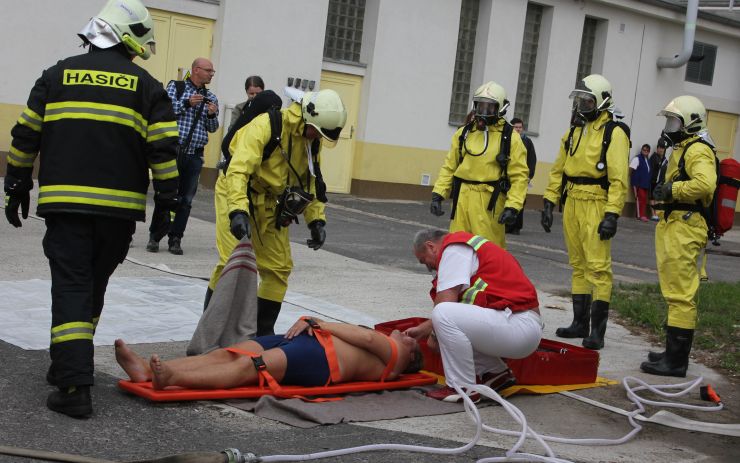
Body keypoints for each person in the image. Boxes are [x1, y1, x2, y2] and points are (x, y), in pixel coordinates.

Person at [3, 0, 179, 417]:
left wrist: (16, 184)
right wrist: (168, 205)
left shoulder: (55, 75)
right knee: (91, 286)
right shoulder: (148, 87)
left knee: (71, 288)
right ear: (131, 38)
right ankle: (67, 364)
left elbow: (26, 135)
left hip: (66, 208)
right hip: (119, 214)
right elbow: (164, 152)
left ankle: (73, 386)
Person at [225, 89, 347, 336]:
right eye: (316, 131)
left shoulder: (312, 140)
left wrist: (316, 220)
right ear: (306, 118)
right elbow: (237, 171)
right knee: (227, 265)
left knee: (278, 269)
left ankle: (261, 335)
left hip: (271, 202)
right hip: (235, 192)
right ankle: (212, 335)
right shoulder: (266, 126)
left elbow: (311, 182)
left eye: (322, 134)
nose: (317, 137)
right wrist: (237, 210)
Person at [540, 74, 629, 351]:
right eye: (580, 100)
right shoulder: (574, 131)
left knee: (598, 268)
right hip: (573, 202)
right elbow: (559, 170)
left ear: (601, 101)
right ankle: (579, 323)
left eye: (587, 100)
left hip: (596, 202)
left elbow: (618, 178)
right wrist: (549, 201)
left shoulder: (613, 133)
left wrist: (612, 213)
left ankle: (597, 332)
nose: (581, 105)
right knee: (578, 265)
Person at [405, 229, 542, 403]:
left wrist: (433, 334)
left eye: (424, 261)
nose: (429, 267)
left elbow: (446, 302)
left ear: (430, 246)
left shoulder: (453, 249)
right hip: (519, 325)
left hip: (518, 325)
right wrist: (423, 330)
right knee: (448, 319)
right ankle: (495, 374)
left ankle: (461, 387)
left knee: (443, 312)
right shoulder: (466, 248)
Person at [115, 316, 423, 389]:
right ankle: (145, 369)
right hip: (306, 341)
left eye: (414, 338)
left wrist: (315, 320)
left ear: (413, 354)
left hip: (320, 360)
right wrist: (312, 325)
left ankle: (171, 376)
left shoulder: (399, 354)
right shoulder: (395, 345)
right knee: (228, 353)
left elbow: (366, 340)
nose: (408, 333)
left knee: (250, 366)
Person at [640, 95, 717, 378]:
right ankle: (672, 354)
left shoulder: (698, 150)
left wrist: (673, 191)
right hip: (676, 224)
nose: (670, 127)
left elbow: (705, 183)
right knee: (673, 290)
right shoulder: (684, 148)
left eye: (675, 121)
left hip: (686, 226)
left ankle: (676, 362)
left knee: (681, 294)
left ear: (691, 123)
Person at [203, 87, 282, 311]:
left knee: (263, 264)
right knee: (230, 259)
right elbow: (237, 170)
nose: (274, 114)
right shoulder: (249, 131)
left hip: (256, 197)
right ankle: (210, 318)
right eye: (270, 109)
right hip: (231, 189)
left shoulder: (273, 132)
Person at [430, 81, 529, 249]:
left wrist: (513, 206)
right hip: (462, 198)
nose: (484, 111)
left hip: (489, 201)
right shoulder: (464, 133)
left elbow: (519, 176)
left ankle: (488, 276)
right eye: (481, 106)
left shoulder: (510, 137)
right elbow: (450, 166)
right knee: (457, 247)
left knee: (487, 251)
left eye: (490, 107)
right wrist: (438, 194)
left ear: (500, 108)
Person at [146, 57, 220, 255]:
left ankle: (175, 238)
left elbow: (212, 128)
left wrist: (212, 114)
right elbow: (165, 112)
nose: (211, 74)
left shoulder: (211, 97)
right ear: (196, 70)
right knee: (166, 196)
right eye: (208, 70)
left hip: (194, 156)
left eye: (212, 71)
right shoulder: (176, 88)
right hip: (174, 151)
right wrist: (187, 103)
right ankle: (155, 236)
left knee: (186, 200)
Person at [506, 117, 537, 235]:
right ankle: (507, 225)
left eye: (520, 127)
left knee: (520, 201)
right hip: (510, 176)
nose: (518, 130)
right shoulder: (508, 140)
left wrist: (530, 175)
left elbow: (532, 159)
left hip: (523, 176)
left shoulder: (527, 141)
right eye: (516, 127)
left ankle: (517, 227)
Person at [630, 144, 652, 222]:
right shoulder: (637, 158)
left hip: (645, 184)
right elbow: (631, 169)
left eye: (647, 150)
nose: (645, 151)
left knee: (643, 200)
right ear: (641, 150)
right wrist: (634, 181)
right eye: (644, 150)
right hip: (638, 184)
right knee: (640, 199)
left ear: (649, 152)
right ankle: (640, 215)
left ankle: (642, 215)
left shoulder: (647, 160)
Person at [648, 140, 668, 221]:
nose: (661, 149)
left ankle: (657, 214)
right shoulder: (654, 157)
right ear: (657, 148)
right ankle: (653, 214)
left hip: (660, 182)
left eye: (662, 148)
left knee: (657, 198)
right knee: (652, 198)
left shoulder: (665, 159)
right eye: (659, 148)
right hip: (653, 181)